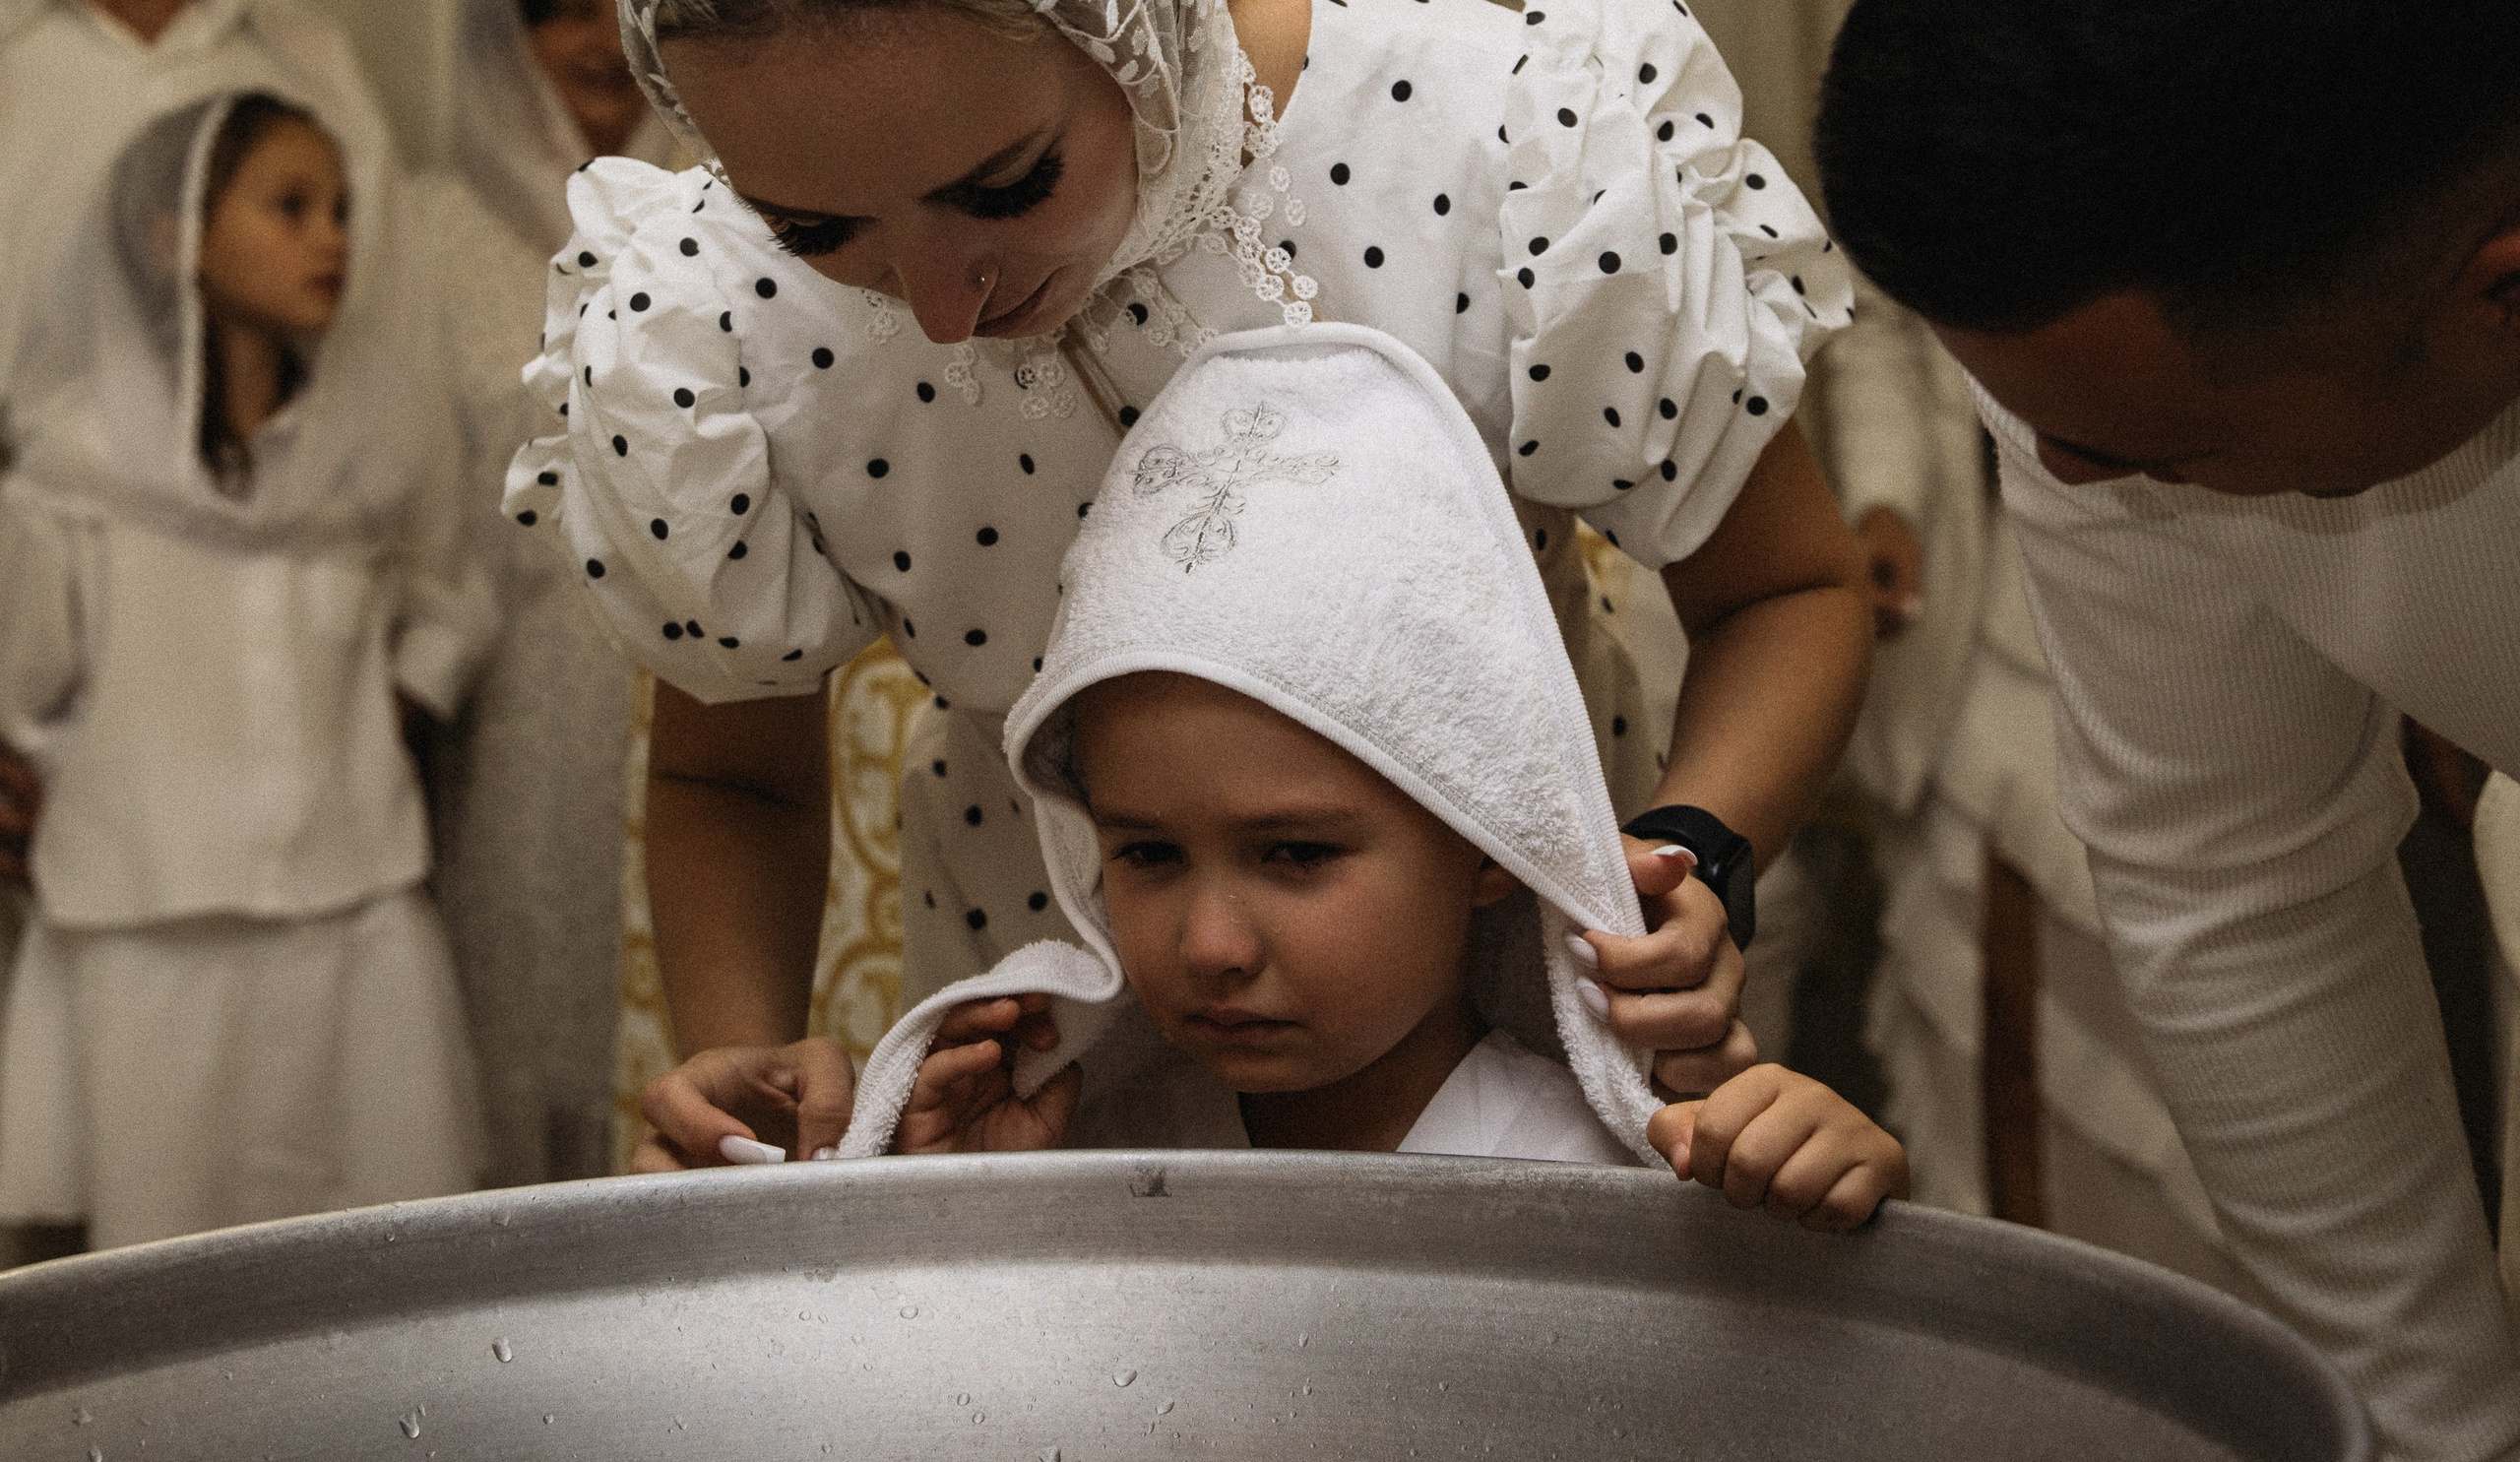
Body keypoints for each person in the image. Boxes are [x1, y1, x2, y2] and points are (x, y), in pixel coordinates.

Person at [522, 0, 1875, 1167]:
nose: (941, 308)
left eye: (1005, 186)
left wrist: (1693, 850)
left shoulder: (1502, 146)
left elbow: (1782, 592)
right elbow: (733, 762)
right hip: (1052, 1085)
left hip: (1519, 1015)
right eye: (815, 227)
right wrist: (745, 1046)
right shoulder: (723, 317)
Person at [1814, 1, 2520, 1455]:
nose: (2066, 481)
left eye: (2161, 457)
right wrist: (2422, 1432)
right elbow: (2237, 870)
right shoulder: (2111, 335)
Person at [824, 323, 1904, 1230]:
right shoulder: (1078, 1156)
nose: (1210, 946)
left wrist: (1803, 1226)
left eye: (1294, 854)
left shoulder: (1625, 1175)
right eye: (1146, 852)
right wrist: (956, 1216)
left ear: (1481, 838)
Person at [0, 90, 490, 1249]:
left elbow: (451, 597)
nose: (332, 238)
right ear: (175, 236)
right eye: (290, 207)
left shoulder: (368, 444)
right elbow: (28, 685)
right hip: (149, 922)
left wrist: (403, 702)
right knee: (166, 1243)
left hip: (351, 914)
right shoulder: (77, 469)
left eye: (341, 209)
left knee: (373, 1238)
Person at [411, 0, 676, 1187]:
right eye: (555, 10)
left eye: (617, 9)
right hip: (510, 692)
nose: (592, 41)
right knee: (521, 992)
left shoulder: (728, 211)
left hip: (696, 660)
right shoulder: (424, 234)